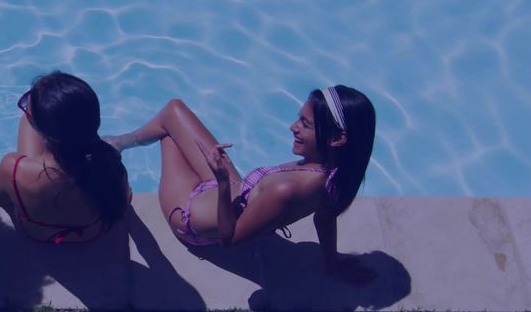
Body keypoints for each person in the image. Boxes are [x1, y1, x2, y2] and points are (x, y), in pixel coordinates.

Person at [106, 86, 375, 278]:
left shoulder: (286, 189)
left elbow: (230, 239)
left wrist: (223, 184)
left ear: (337, 139)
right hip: (231, 193)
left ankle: (115, 151)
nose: (293, 127)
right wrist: (332, 262)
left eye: (304, 124)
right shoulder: (334, 177)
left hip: (190, 216)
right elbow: (325, 219)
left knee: (167, 133)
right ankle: (119, 143)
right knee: (174, 110)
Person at [0, 72, 131, 244]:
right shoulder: (110, 166)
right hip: (91, 233)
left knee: (25, 121)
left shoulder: (12, 168)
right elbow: (124, 200)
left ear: (42, 131)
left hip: (37, 233)